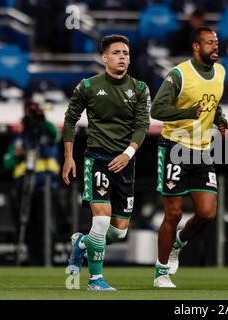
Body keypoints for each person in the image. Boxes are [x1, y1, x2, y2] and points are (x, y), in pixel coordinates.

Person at [62, 34, 151, 291]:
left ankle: (81, 243)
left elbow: (142, 125)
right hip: (97, 159)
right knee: (101, 221)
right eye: (117, 53)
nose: (123, 57)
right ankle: (94, 280)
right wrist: (69, 157)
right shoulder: (88, 86)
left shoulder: (140, 88)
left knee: (119, 232)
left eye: (126, 53)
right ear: (104, 58)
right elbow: (70, 120)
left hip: (125, 163)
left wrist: (128, 154)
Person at [150, 27, 228, 288]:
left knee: (207, 213)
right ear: (196, 46)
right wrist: (187, 113)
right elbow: (157, 109)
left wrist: (220, 118)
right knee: (172, 214)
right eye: (209, 43)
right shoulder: (179, 74)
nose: (215, 47)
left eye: (216, 43)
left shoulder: (221, 72)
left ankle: (178, 243)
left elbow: (212, 103)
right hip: (175, 147)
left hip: (203, 150)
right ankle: (161, 273)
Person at [2, 95, 62, 265]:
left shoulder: (47, 131)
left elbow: (56, 136)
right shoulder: (21, 137)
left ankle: (48, 259)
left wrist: (42, 120)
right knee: (28, 227)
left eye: (33, 107)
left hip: (46, 187)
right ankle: (33, 259)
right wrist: (17, 156)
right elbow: (7, 162)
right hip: (25, 188)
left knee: (46, 226)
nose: (30, 111)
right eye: (28, 107)